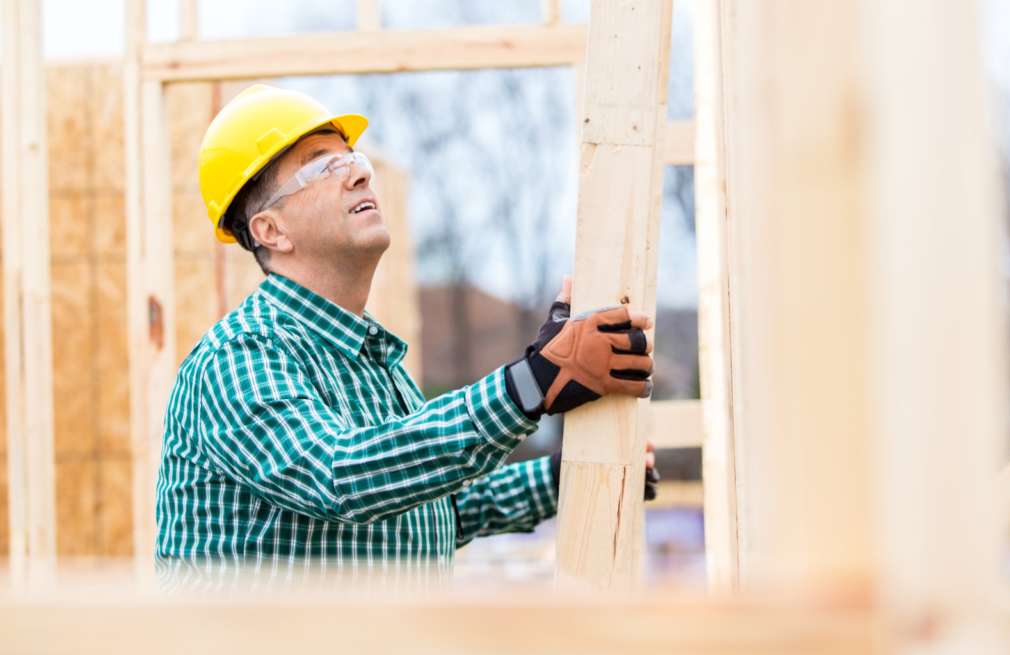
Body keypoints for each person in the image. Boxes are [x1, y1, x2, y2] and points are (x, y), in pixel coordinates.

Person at [155, 85, 658, 573]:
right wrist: (531, 383)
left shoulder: (369, 359)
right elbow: (340, 477)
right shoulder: (239, 356)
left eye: (353, 159)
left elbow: (431, 511)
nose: (357, 175)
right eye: (322, 165)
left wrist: (566, 474)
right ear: (271, 230)